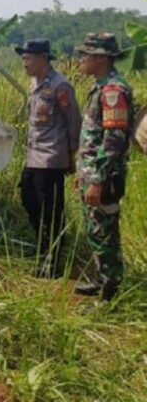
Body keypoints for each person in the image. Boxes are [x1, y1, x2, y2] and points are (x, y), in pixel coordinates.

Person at [74, 33, 134, 301]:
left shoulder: (113, 91)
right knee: (95, 231)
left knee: (105, 235)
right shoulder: (100, 87)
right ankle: (101, 280)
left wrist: (97, 179)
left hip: (106, 178)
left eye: (85, 54)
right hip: (92, 175)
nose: (81, 60)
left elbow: (113, 140)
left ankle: (109, 295)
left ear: (101, 58)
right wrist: (83, 174)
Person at [16, 40, 81, 278]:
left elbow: (73, 122)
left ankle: (53, 260)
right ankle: (45, 247)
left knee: (51, 210)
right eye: (23, 59)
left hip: (52, 158)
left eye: (28, 59)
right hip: (34, 156)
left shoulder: (60, 86)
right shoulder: (35, 85)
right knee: (28, 199)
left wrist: (72, 155)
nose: (25, 63)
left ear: (43, 59)